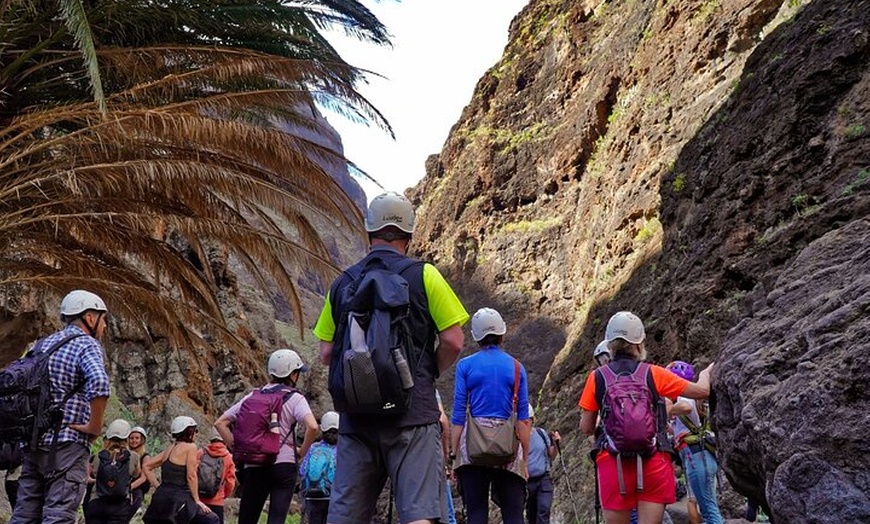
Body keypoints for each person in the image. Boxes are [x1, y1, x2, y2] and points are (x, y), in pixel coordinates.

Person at [314, 191, 469, 524]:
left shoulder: (343, 283)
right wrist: (426, 371)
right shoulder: (425, 275)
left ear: (368, 233)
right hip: (413, 416)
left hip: (357, 418)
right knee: (419, 515)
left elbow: (326, 352)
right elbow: (454, 341)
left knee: (345, 517)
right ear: (409, 236)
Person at [578, 312, 714, 524]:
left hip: (613, 462)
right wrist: (706, 373)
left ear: (610, 345)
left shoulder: (597, 377)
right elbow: (702, 391)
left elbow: (586, 427)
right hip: (654, 459)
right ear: (639, 343)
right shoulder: (654, 373)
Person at [12, 290, 111, 524]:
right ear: (89, 318)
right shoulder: (86, 344)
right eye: (103, 318)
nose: (104, 326)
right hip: (67, 445)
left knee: (24, 515)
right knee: (58, 515)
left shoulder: (42, 344)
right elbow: (99, 382)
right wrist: (94, 427)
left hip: (33, 444)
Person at [214, 349, 318, 524]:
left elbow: (220, 423)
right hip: (284, 465)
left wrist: (235, 446)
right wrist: (300, 452)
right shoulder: (295, 398)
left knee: (247, 519)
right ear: (292, 374)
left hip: (254, 463)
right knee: (276, 519)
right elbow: (313, 426)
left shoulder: (254, 395)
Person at [451, 307, 531, 524]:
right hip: (509, 447)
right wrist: (525, 461)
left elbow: (458, 414)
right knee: (514, 516)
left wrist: (453, 456)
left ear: (476, 337)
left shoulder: (465, 365)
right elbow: (523, 419)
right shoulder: (517, 367)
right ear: (502, 334)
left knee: (476, 513)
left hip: (473, 448)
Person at [667, 361, 723, 524]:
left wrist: (668, 409)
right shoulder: (685, 397)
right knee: (707, 507)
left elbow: (686, 408)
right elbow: (680, 430)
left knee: (709, 509)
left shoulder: (684, 396)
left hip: (698, 456)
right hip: (695, 457)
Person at [142, 416, 218, 524]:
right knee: (211, 519)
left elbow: (146, 466)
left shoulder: (170, 448)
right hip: (179, 499)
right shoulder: (190, 447)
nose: (196, 433)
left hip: (160, 498)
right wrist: (197, 500)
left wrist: (158, 486)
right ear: (189, 431)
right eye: (195, 430)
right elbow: (191, 476)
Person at [85, 419, 140, 524]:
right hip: (120, 505)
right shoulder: (133, 456)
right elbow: (136, 474)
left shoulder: (98, 456)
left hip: (97, 501)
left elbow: (94, 473)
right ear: (127, 438)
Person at [299, 412, 339, 524]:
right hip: (333, 496)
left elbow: (302, 470)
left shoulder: (313, 447)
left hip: (312, 496)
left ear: (322, 429)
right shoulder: (342, 449)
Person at [525, 404, 560, 524]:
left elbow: (551, 455)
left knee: (544, 510)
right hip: (526, 482)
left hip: (543, 479)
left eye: (529, 419)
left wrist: (555, 443)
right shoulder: (517, 437)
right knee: (532, 515)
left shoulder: (541, 433)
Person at [198, 430, 236, 524]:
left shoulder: (200, 453)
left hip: (199, 501)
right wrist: (223, 495)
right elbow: (230, 483)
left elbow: (191, 475)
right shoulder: (228, 458)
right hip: (217, 502)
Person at [128, 426, 156, 516]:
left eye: (137, 438)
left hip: (137, 489)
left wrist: (129, 487)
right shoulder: (126, 454)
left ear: (142, 440)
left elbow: (143, 478)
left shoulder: (145, 457)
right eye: (131, 438)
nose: (134, 440)